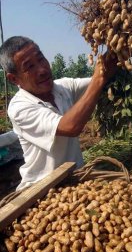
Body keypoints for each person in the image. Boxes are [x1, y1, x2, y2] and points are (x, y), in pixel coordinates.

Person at [0, 36, 117, 190]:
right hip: (42, 190)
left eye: (41, 59)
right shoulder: (19, 108)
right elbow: (70, 127)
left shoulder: (63, 87)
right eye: (29, 67)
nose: (42, 70)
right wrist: (99, 78)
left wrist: (116, 47)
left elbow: (101, 77)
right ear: (14, 79)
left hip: (76, 182)